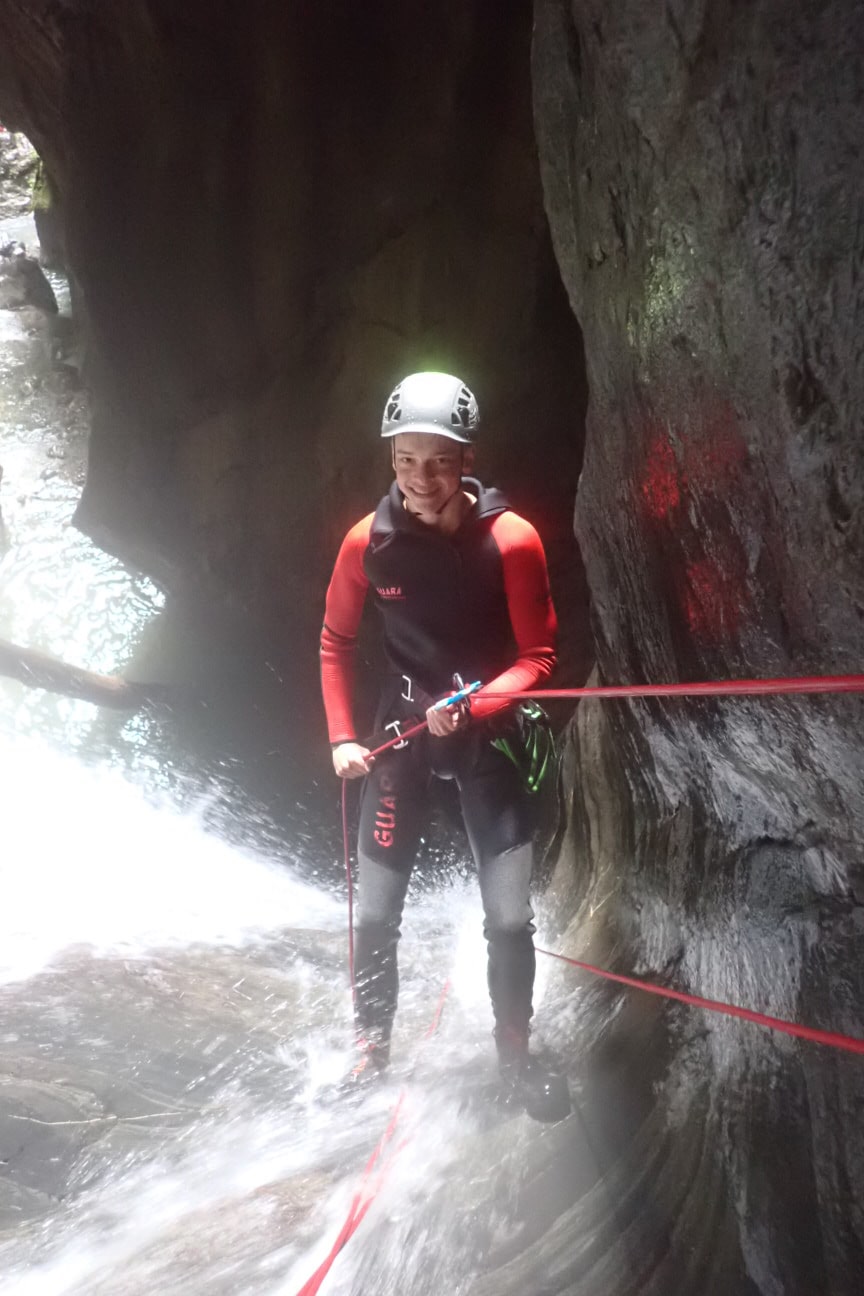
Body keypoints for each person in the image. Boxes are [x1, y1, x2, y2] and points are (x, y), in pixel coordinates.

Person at [320, 371, 568, 1119]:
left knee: (509, 918)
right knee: (374, 912)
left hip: (488, 733)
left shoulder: (511, 540)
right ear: (390, 459)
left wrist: (478, 703)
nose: (420, 479)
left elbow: (539, 657)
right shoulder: (368, 544)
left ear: (467, 459)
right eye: (405, 460)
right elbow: (334, 643)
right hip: (403, 730)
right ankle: (369, 1052)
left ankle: (515, 1057)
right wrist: (341, 737)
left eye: (437, 461)